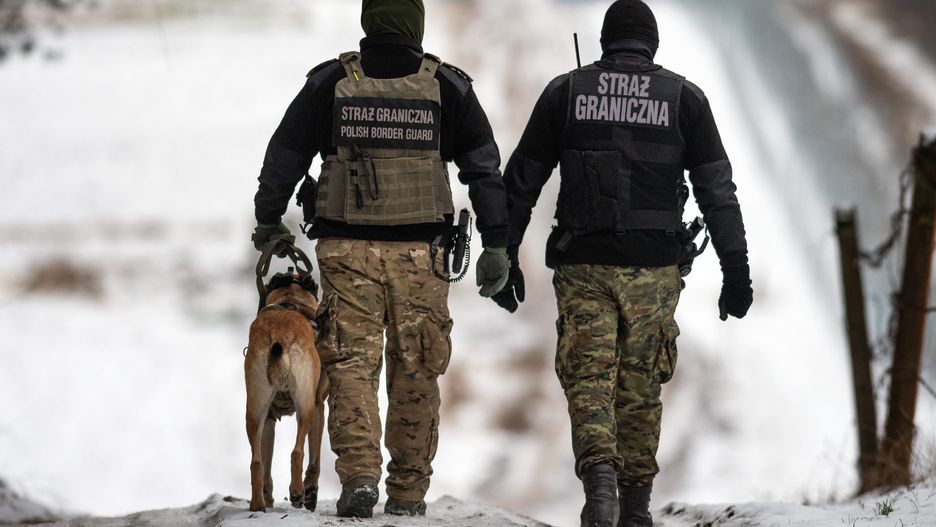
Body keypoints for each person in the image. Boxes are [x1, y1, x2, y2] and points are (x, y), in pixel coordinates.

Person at [491, 1, 753, 526]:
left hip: (584, 265)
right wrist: (736, 269)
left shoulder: (566, 92)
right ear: (651, 45)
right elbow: (717, 192)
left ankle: (601, 490)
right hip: (653, 274)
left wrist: (504, 254)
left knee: (588, 379)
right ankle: (635, 510)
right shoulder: (685, 99)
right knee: (640, 389)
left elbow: (520, 182)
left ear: (605, 42)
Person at [251, 0, 511, 518]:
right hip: (422, 256)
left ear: (369, 22)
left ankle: (360, 477)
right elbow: (483, 168)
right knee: (417, 365)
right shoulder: (448, 87)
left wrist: (268, 218)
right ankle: (409, 492)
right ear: (416, 24)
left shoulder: (330, 83)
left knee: (350, 363)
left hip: (347, 252)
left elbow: (285, 153)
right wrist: (498, 243)